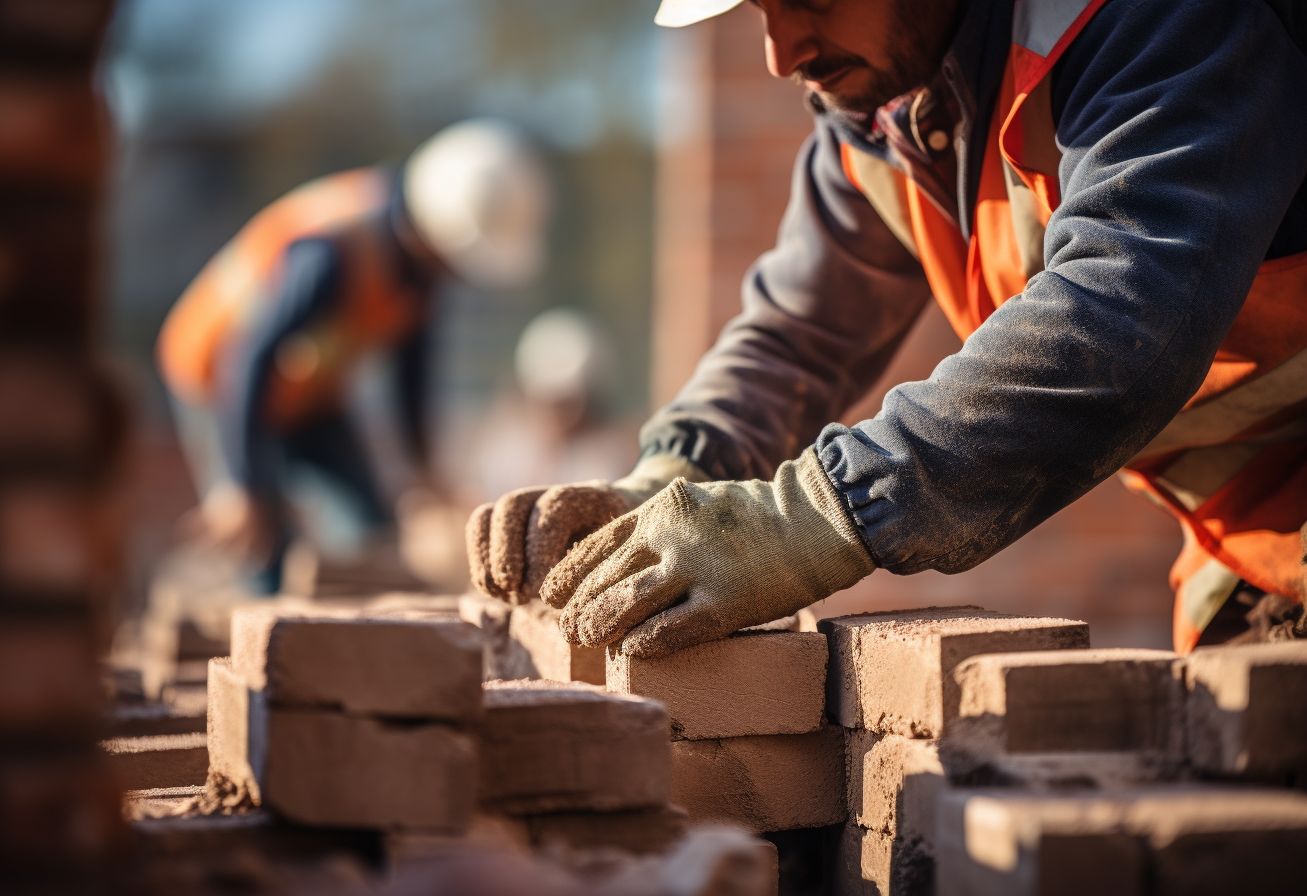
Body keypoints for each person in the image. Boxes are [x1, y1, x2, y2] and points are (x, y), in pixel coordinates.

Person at [467, 0, 1307, 657]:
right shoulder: (885, 111)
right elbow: (797, 334)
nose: (782, 52)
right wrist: (668, 476)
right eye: (760, 10)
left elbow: (1121, 309)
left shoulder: (1159, 21)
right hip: (1248, 537)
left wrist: (814, 516)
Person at [160, 119, 551, 592]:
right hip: (224, 381)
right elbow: (248, 357)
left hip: (307, 392)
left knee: (373, 533)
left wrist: (426, 474)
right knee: (262, 539)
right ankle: (256, 611)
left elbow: (410, 374)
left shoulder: (418, 268)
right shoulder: (330, 252)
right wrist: (243, 485)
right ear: (435, 238)